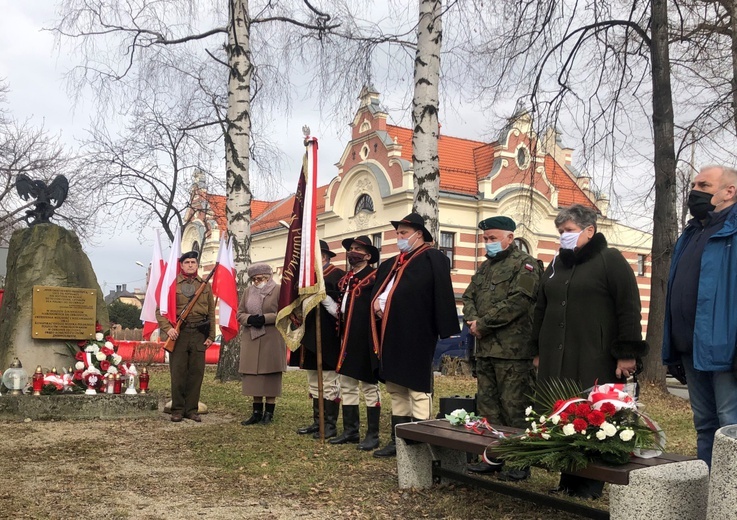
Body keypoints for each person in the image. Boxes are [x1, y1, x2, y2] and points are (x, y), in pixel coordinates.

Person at [532, 204, 648, 499]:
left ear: (589, 231)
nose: (563, 237)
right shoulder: (557, 264)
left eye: (569, 231)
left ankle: (590, 482)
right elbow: (541, 307)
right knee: (562, 414)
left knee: (592, 414)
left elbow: (629, 308)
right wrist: (537, 350)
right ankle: (567, 476)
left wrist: (627, 353)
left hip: (594, 355)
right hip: (556, 356)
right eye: (560, 232)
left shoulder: (610, 260)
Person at [663, 165, 737, 468]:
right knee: (705, 424)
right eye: (694, 184)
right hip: (690, 348)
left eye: (704, 185)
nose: (694, 191)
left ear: (729, 191)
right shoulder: (692, 233)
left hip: (725, 352)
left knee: (730, 427)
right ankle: (710, 494)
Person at [370, 213, 460, 458]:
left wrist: (447, 327)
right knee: (396, 387)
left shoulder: (432, 258)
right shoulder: (391, 263)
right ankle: (398, 439)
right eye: (397, 233)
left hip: (417, 334)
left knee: (417, 389)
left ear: (419, 234)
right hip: (390, 333)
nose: (399, 238)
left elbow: (441, 292)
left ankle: (420, 439)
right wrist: (376, 304)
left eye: (403, 233)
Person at [462, 216, 542, 480]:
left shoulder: (525, 265)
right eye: (485, 239)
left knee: (514, 408)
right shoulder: (485, 268)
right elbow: (468, 296)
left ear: (509, 237)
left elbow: (519, 302)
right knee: (488, 408)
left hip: (513, 352)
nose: (488, 243)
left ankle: (519, 462)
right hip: (485, 350)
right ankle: (493, 458)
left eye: (492, 238)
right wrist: (473, 320)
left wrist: (483, 323)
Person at [330, 236, 382, 450]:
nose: (352, 252)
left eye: (357, 249)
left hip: (365, 338)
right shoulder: (346, 279)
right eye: (351, 249)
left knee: (369, 386)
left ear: (368, 255)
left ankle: (373, 434)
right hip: (346, 338)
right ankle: (350, 431)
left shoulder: (375, 277)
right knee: (347, 384)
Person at [290, 240, 345, 439]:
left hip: (328, 337)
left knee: (329, 381)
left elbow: (341, 309)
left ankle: (329, 425)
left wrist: (323, 296)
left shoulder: (336, 275)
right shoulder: (307, 278)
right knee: (313, 381)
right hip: (309, 336)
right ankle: (317, 421)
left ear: (323, 257)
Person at [156, 251, 216, 423]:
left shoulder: (205, 286)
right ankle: (177, 409)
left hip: (199, 333)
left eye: (193, 262)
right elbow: (160, 310)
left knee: (196, 373)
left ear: (197, 265)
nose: (190, 265)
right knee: (178, 372)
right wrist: (168, 329)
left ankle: (191, 409)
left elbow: (211, 311)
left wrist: (211, 335)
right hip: (179, 334)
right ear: (181, 265)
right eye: (187, 262)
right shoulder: (172, 284)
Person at [237, 263, 286, 425]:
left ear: (268, 277)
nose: (257, 282)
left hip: (271, 338)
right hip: (251, 337)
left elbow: (283, 312)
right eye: (254, 279)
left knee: (269, 374)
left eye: (260, 278)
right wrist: (249, 319)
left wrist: (265, 318)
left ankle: (269, 413)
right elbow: (240, 313)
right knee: (253, 377)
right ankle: (256, 412)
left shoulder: (278, 290)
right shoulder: (248, 292)